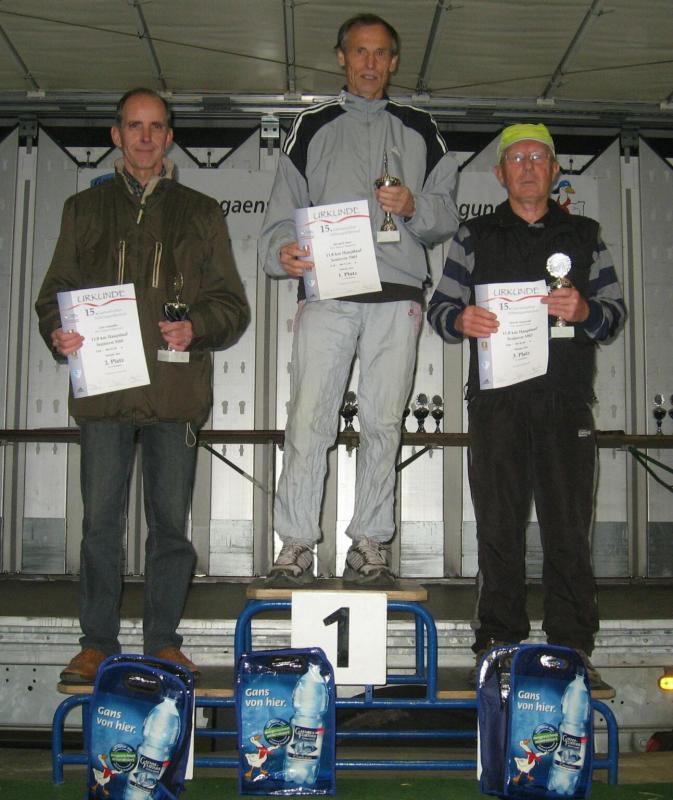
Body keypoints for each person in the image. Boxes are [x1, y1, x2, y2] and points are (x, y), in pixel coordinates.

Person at [35, 88, 250, 684]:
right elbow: (53, 294)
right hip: (103, 394)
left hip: (173, 393)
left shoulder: (201, 212)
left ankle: (163, 642)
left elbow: (232, 306)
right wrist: (58, 331)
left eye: (156, 127)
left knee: (170, 528)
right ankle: (95, 644)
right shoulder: (83, 209)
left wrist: (196, 325)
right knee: (99, 526)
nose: (146, 137)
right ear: (117, 135)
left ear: (170, 137)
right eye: (135, 126)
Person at [259, 13, 459, 587]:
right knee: (308, 418)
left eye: (380, 53)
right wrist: (282, 253)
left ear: (394, 62)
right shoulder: (311, 126)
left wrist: (414, 207)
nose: (369, 63)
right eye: (359, 52)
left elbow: (446, 216)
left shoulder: (422, 130)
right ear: (342, 58)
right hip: (329, 292)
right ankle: (296, 544)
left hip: (398, 296)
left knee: (383, 422)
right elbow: (281, 215)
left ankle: (369, 543)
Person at [427, 123, 626, 684]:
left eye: (539, 157)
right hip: (497, 406)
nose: (529, 167)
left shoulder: (586, 236)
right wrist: (461, 319)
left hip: (566, 402)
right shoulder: (473, 236)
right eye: (517, 159)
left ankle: (572, 649)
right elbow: (441, 309)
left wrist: (585, 311)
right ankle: (498, 644)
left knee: (568, 529)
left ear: (555, 171)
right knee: (498, 527)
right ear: (500, 173)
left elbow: (613, 315)